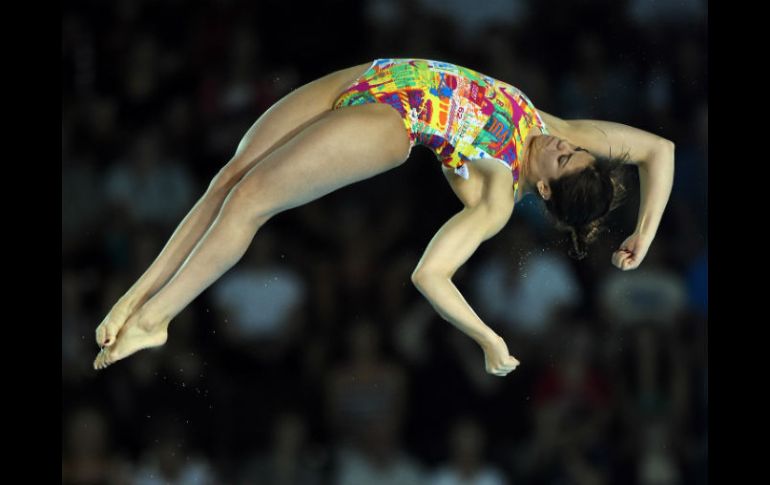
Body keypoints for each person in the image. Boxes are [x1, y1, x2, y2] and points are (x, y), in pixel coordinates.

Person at [93, 58, 675, 376]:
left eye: (565, 158)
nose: (563, 143)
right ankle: (137, 301)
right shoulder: (560, 132)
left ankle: (157, 320)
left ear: (545, 186)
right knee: (229, 179)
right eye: (574, 149)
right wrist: (642, 235)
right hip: (366, 76)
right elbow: (660, 151)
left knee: (251, 201)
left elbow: (430, 275)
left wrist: (488, 338)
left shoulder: (499, 191)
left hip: (388, 124)